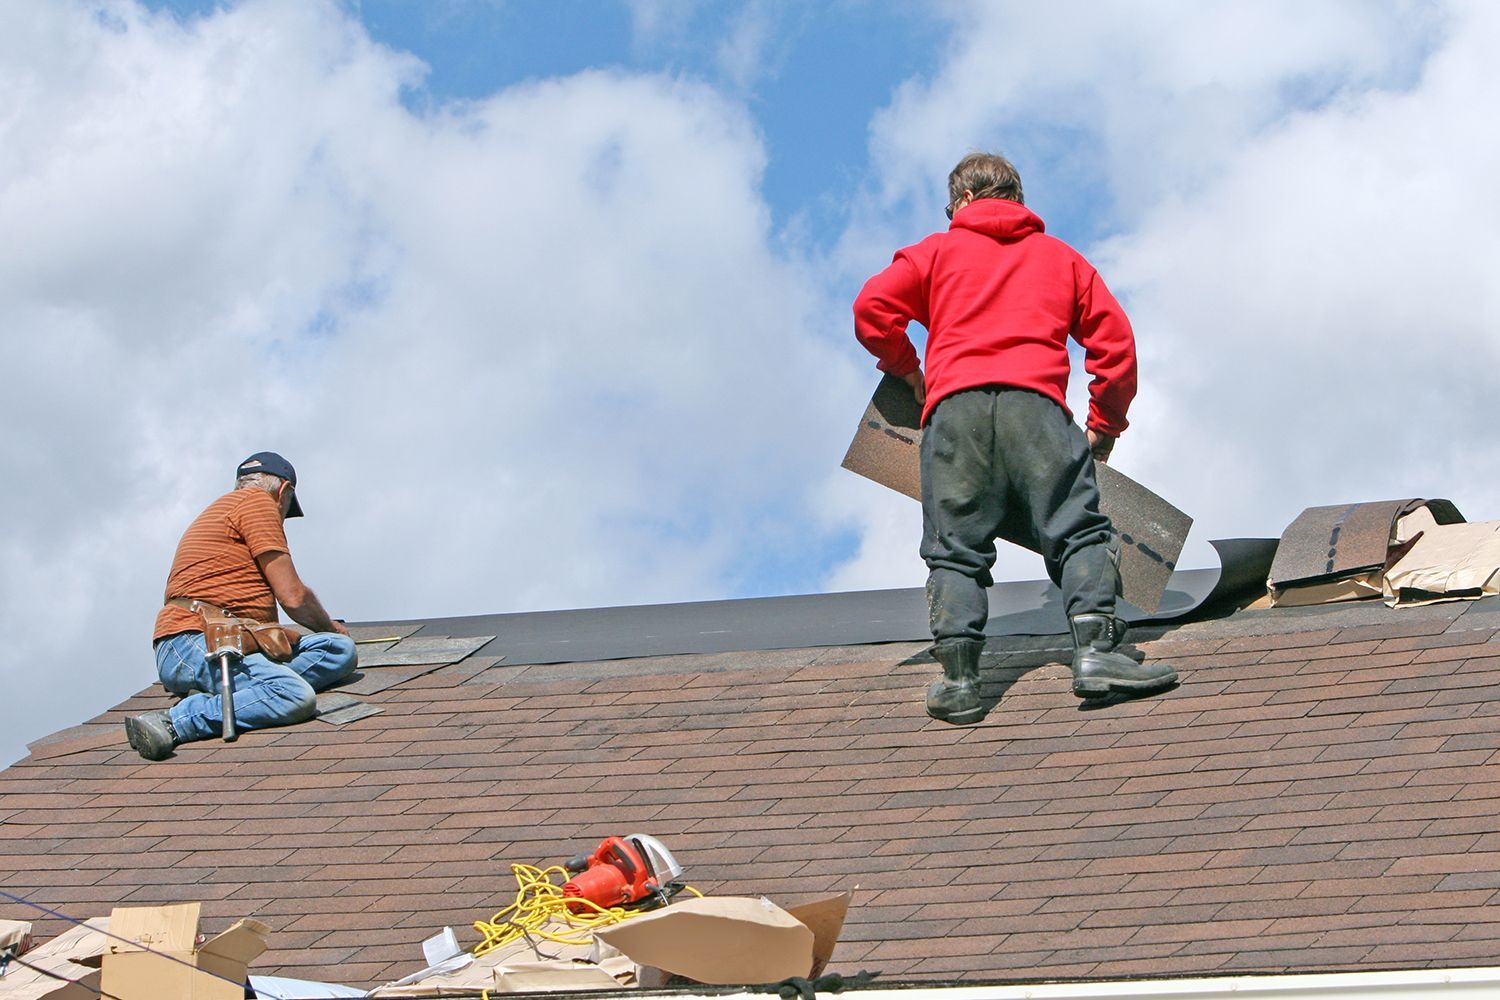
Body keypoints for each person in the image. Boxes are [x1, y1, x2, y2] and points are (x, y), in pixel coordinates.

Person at [853, 152, 1177, 725]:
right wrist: (1104, 426)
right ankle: (1098, 653)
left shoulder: (933, 252)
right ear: (1018, 200)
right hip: (1038, 412)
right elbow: (1116, 349)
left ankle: (959, 681)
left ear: (959, 203)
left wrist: (909, 371)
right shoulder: (1062, 259)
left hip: (954, 413)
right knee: (1078, 532)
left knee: (955, 548)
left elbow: (872, 308)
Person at [124, 452, 357, 759]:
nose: (282, 517)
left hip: (222, 638)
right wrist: (330, 625)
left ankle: (239, 693)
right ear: (284, 491)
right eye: (286, 510)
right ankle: (175, 721)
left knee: (337, 650)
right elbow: (293, 597)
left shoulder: (226, 509)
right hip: (196, 641)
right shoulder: (258, 502)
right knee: (294, 696)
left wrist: (321, 635)